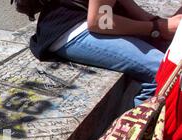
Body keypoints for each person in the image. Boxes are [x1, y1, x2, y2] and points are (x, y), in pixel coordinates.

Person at [29, 0, 182, 106]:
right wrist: (157, 28)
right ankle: (138, 138)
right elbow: (100, 21)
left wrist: (154, 22)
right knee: (164, 71)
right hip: (70, 30)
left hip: (85, 19)